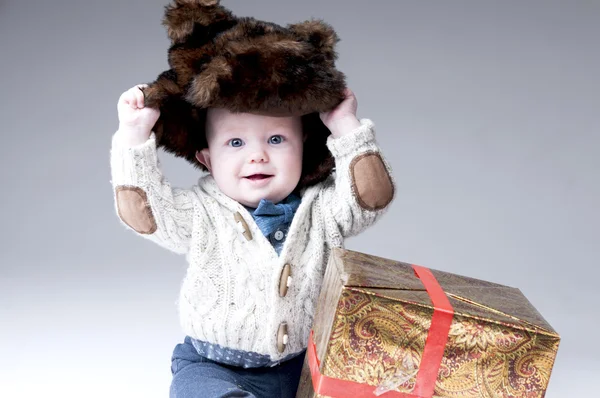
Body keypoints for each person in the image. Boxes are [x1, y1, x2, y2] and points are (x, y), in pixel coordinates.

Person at [109, 1, 395, 397]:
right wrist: (133, 138)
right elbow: (144, 214)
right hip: (213, 366)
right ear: (206, 159)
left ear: (305, 146)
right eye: (236, 142)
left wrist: (346, 126)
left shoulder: (321, 210)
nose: (257, 155)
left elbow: (370, 198)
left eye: (277, 140)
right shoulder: (202, 212)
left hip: (302, 365)